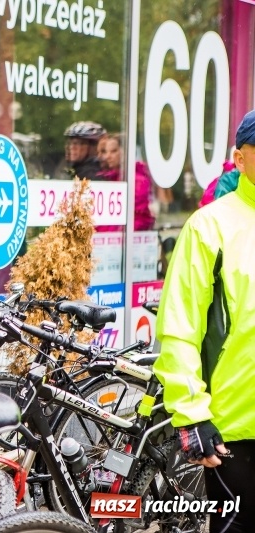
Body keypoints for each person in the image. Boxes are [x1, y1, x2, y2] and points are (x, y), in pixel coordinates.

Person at [152, 109, 255, 533]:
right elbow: (179, 328)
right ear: (240, 159)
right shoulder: (210, 226)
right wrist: (192, 415)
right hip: (236, 430)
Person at [96, 133, 155, 231]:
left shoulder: (137, 181)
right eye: (106, 152)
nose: (107, 156)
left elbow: (139, 218)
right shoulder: (109, 179)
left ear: (126, 151)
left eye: (113, 151)